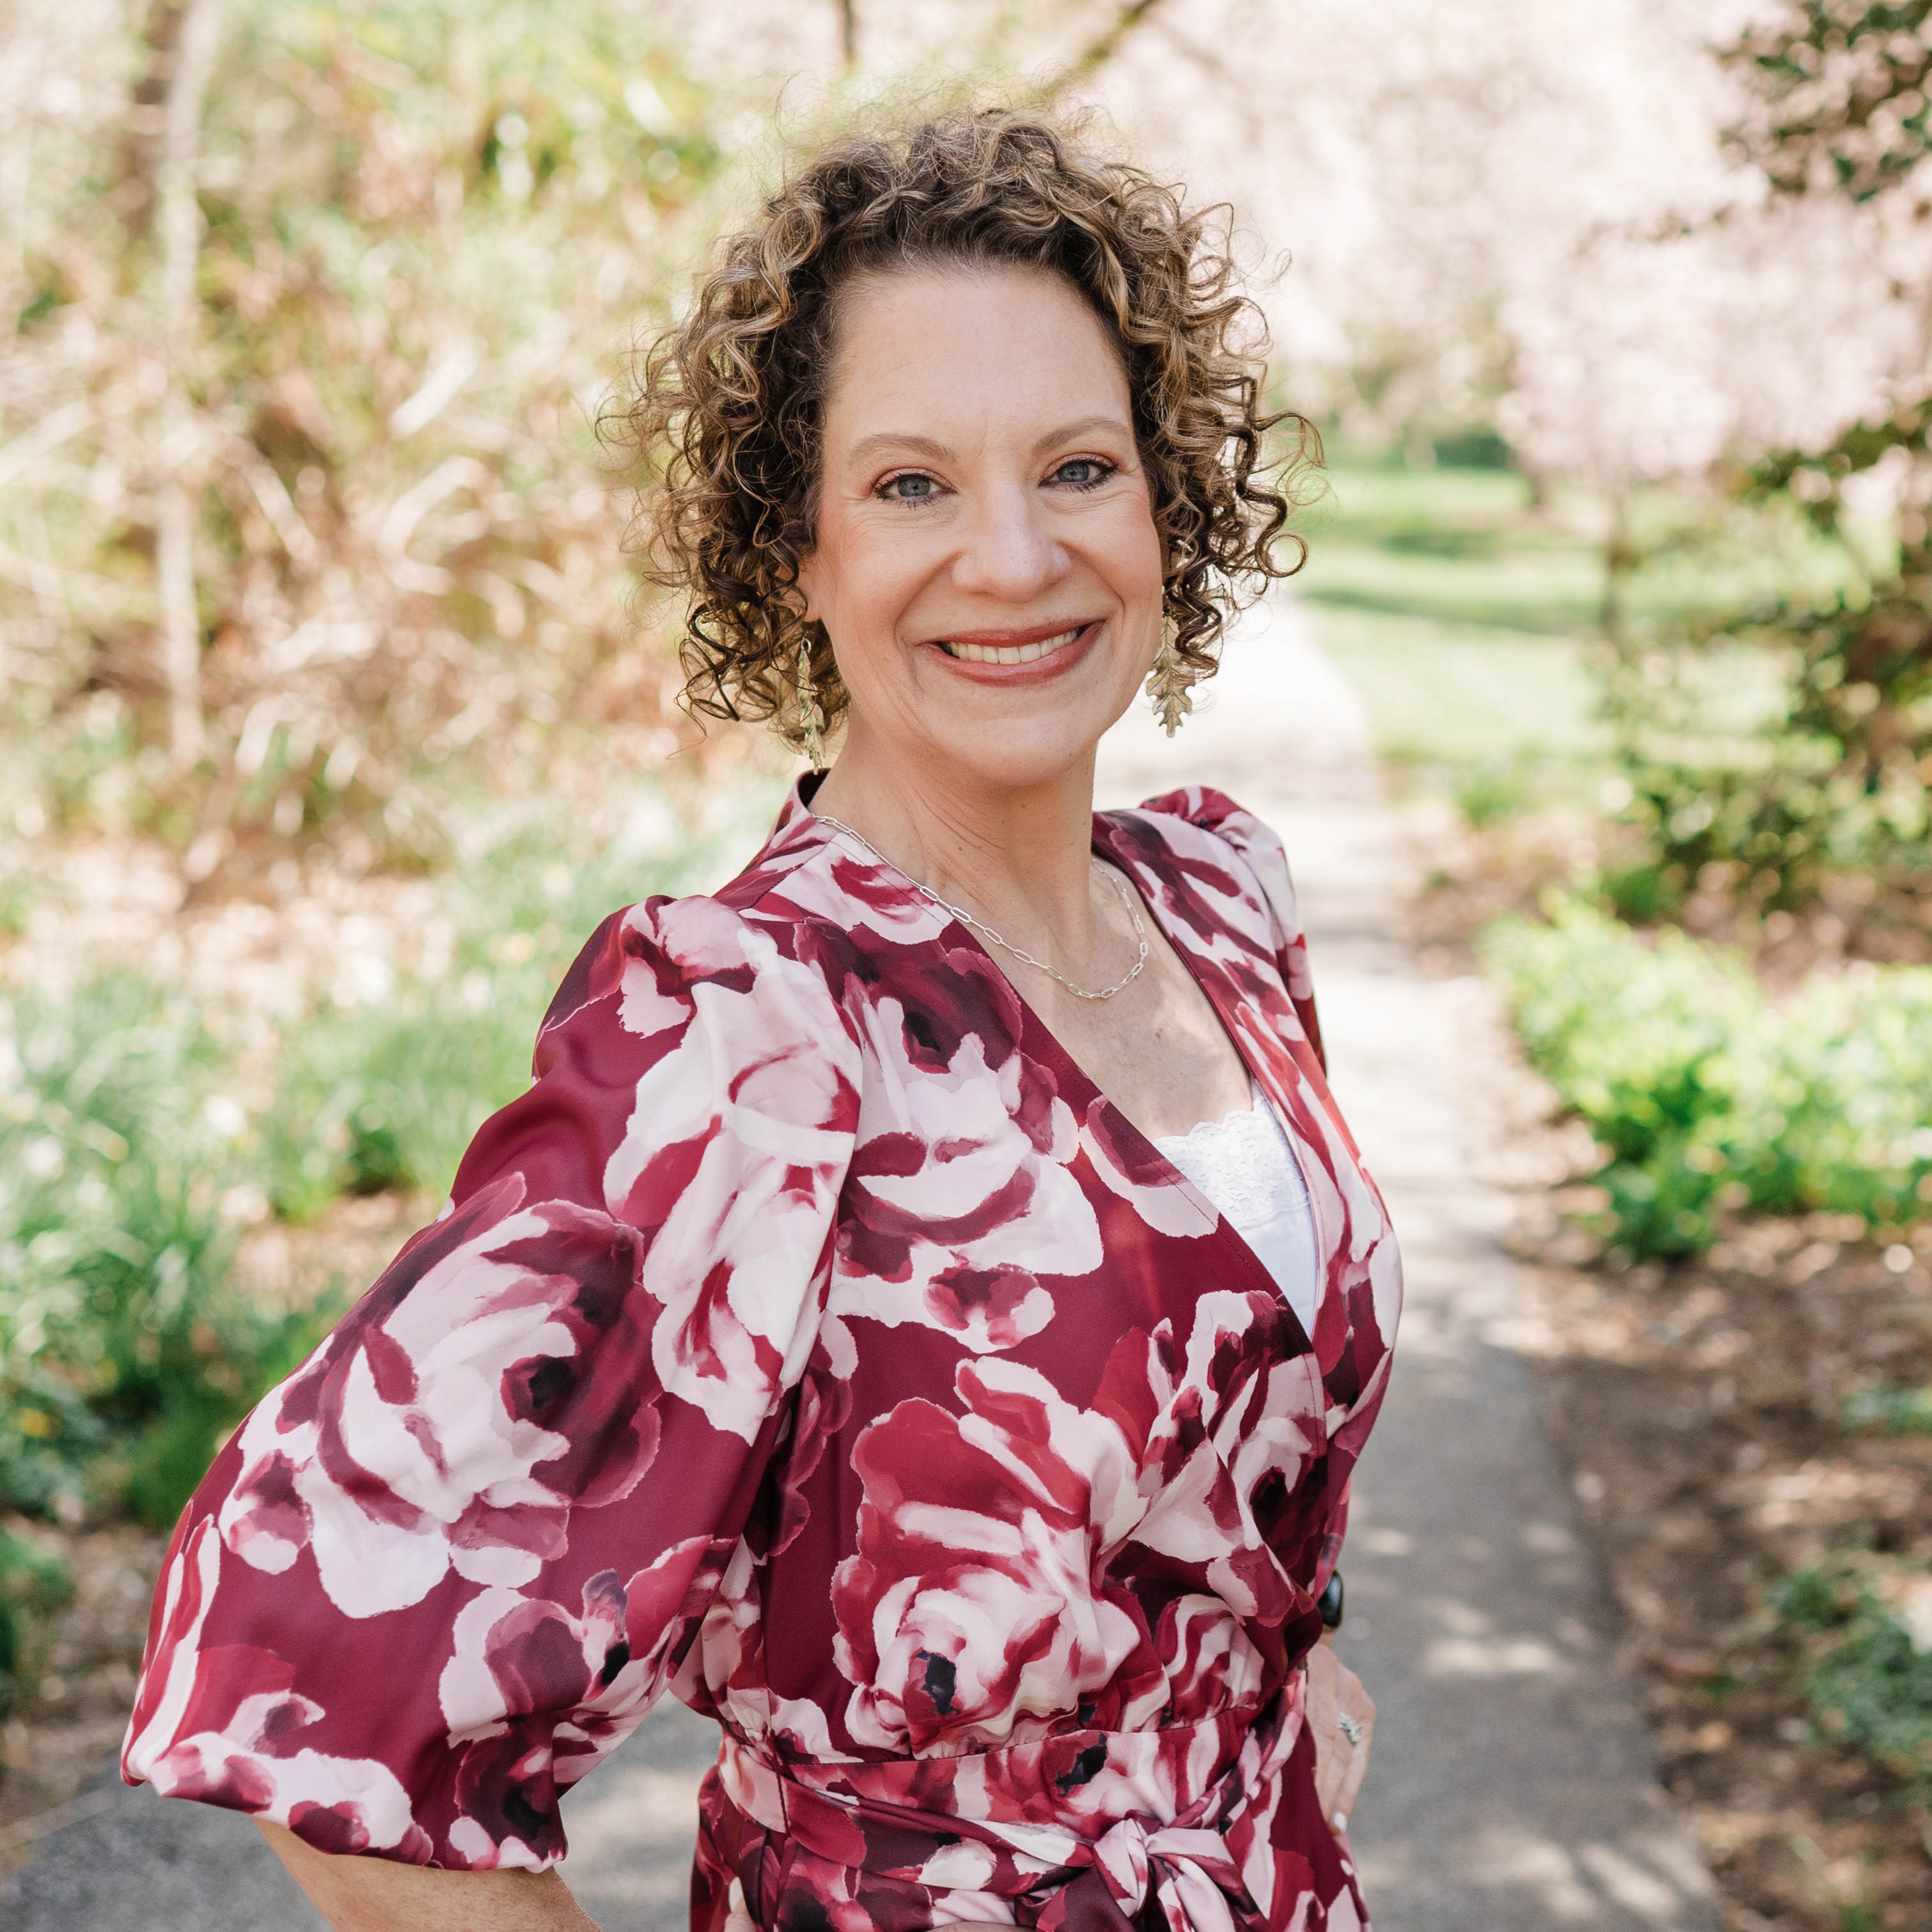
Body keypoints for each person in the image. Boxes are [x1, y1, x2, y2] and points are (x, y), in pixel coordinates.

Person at [121, 106, 1398, 1932]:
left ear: (1162, 500)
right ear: (791, 550)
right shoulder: (742, 1028)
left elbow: (1251, 1426)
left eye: (1079, 468)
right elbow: (306, 1664)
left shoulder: (1221, 896)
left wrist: (1270, 1677)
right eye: (910, 486)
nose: (1017, 557)